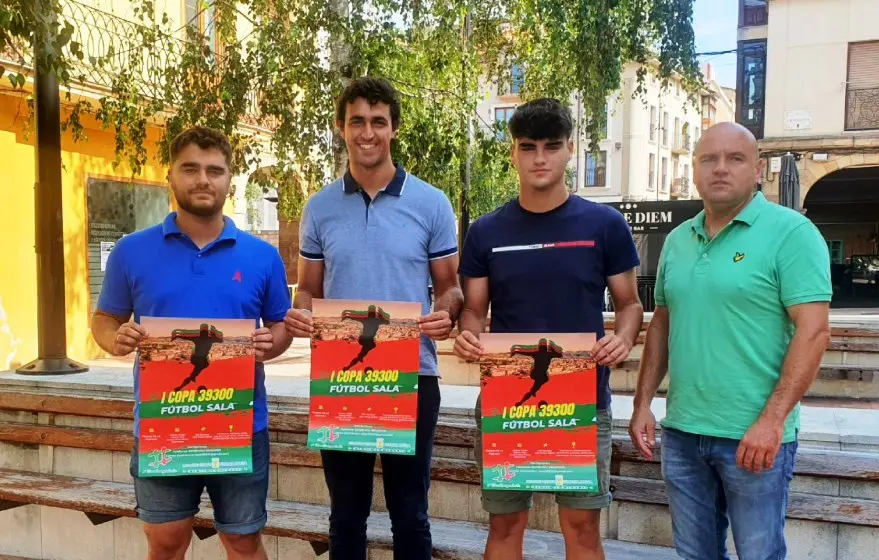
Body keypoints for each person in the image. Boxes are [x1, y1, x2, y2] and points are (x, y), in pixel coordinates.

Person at [628, 122, 832, 560]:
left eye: (735, 159)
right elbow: (662, 322)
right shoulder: (679, 240)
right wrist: (642, 402)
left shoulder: (792, 233)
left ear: (757, 169)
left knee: (759, 554)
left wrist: (772, 421)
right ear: (695, 171)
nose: (720, 169)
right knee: (694, 554)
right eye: (709, 159)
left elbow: (813, 331)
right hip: (682, 433)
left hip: (754, 435)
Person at [453, 98, 644, 560]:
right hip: (507, 398)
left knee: (581, 530)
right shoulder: (485, 232)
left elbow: (631, 304)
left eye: (551, 146)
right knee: (505, 526)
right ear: (513, 153)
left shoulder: (605, 225)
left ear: (570, 150)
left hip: (583, 398)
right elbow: (474, 311)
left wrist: (622, 337)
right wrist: (468, 335)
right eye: (528, 146)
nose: (540, 157)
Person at [90, 125, 293, 560]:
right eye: (191, 169)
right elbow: (104, 320)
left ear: (229, 180)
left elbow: (281, 328)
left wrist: (268, 343)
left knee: (242, 542)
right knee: (166, 542)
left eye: (215, 171)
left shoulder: (262, 256)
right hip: (163, 424)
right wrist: (116, 339)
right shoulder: (131, 250)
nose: (203, 180)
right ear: (171, 176)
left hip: (240, 426)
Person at [283, 76, 464, 559]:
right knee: (345, 516)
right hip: (342, 377)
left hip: (414, 374)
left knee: (411, 514)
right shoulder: (319, 208)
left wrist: (444, 315)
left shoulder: (432, 203)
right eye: (357, 121)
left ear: (394, 129)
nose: (368, 132)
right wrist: (300, 315)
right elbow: (309, 292)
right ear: (341, 128)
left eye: (378, 121)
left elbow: (450, 289)